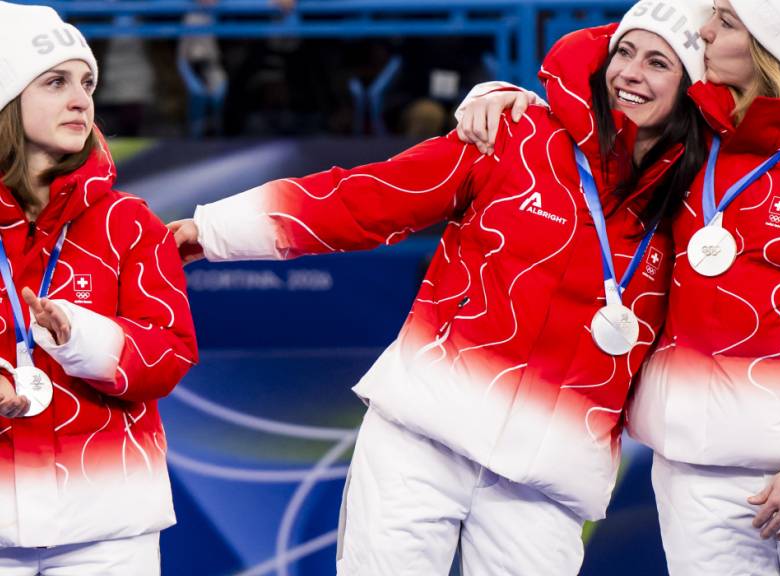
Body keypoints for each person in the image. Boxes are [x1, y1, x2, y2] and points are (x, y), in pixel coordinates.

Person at [170, 1, 711, 572]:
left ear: (692, 88)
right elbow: (369, 197)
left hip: (548, 478)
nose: (630, 72)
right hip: (423, 436)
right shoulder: (516, 135)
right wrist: (215, 229)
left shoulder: (694, 202)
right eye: (624, 51)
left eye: (658, 63)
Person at [458, 0, 780, 573]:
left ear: (772, 53)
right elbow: (608, 82)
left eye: (727, 23)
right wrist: (502, 101)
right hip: (693, 474)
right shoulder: (687, 135)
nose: (705, 31)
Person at [0, 3, 198, 573]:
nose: (80, 98)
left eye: (87, 82)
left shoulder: (130, 222)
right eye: (55, 82)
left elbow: (169, 353)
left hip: (108, 527)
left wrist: (81, 336)